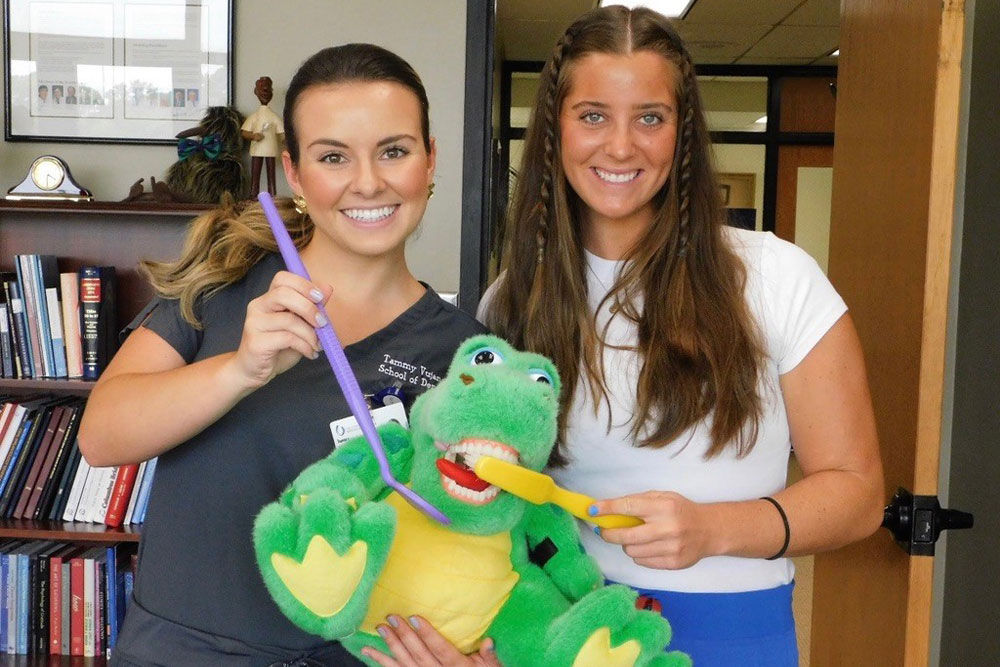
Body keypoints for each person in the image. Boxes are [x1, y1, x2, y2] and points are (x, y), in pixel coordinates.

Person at [476, 6, 885, 666]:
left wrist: (716, 527)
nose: (620, 145)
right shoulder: (512, 303)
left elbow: (859, 493)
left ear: (681, 133)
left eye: (650, 117)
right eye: (592, 115)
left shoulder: (776, 277)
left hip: (733, 633)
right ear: (555, 130)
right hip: (561, 629)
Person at [78, 43, 494, 667]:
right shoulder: (226, 285)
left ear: (430, 161)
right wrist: (239, 369)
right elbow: (101, 435)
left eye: (394, 151)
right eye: (333, 157)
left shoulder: (464, 354)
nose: (368, 182)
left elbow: (476, 543)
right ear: (295, 174)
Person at [242, 75, 285, 196]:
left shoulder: (273, 116)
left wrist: (288, 144)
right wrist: (253, 136)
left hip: (270, 150)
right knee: (255, 174)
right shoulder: (255, 116)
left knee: (271, 174)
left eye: (268, 88)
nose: (265, 91)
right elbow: (244, 132)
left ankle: (272, 194)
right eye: (261, 89)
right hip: (257, 150)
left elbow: (282, 134)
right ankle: (253, 194)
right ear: (256, 92)